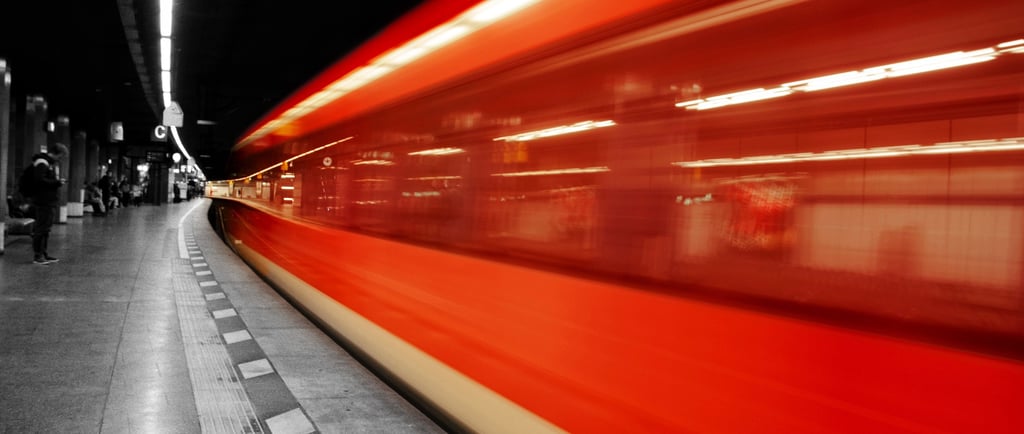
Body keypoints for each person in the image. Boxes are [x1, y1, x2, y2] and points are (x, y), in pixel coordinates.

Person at [28, 143, 67, 264]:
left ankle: (43, 254)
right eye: (60, 156)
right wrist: (56, 183)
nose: (60, 159)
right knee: (41, 228)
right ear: (56, 153)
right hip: (43, 200)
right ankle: (38, 256)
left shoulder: (48, 163)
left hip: (48, 200)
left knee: (46, 229)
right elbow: (39, 181)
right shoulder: (42, 162)